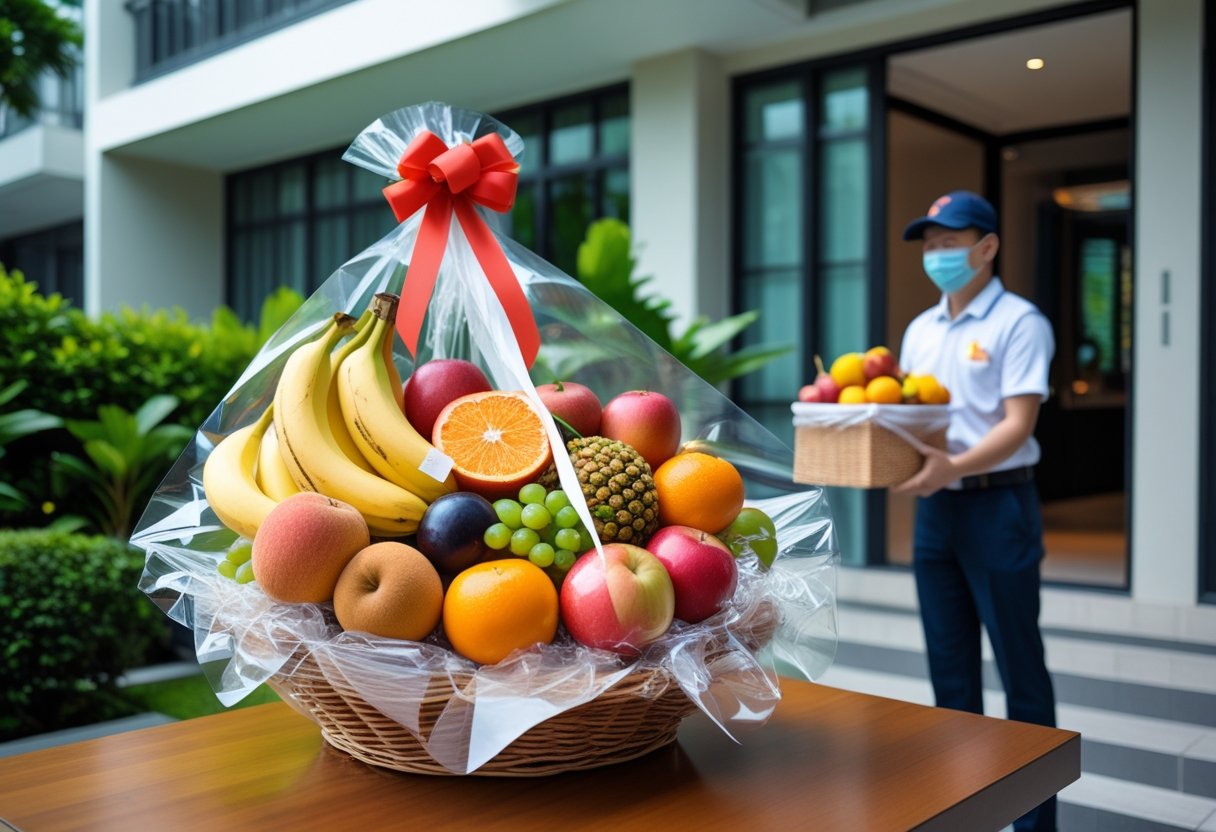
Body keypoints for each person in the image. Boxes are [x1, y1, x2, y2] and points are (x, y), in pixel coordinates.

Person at [893, 190, 1058, 832]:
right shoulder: (920, 330)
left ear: (987, 248)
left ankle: (1037, 824)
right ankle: (964, 814)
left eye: (950, 243)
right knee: (950, 673)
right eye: (930, 245)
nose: (937, 255)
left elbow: (1018, 425)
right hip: (938, 515)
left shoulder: (1019, 322)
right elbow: (909, 420)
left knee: (1020, 669)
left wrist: (952, 468)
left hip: (1000, 507)